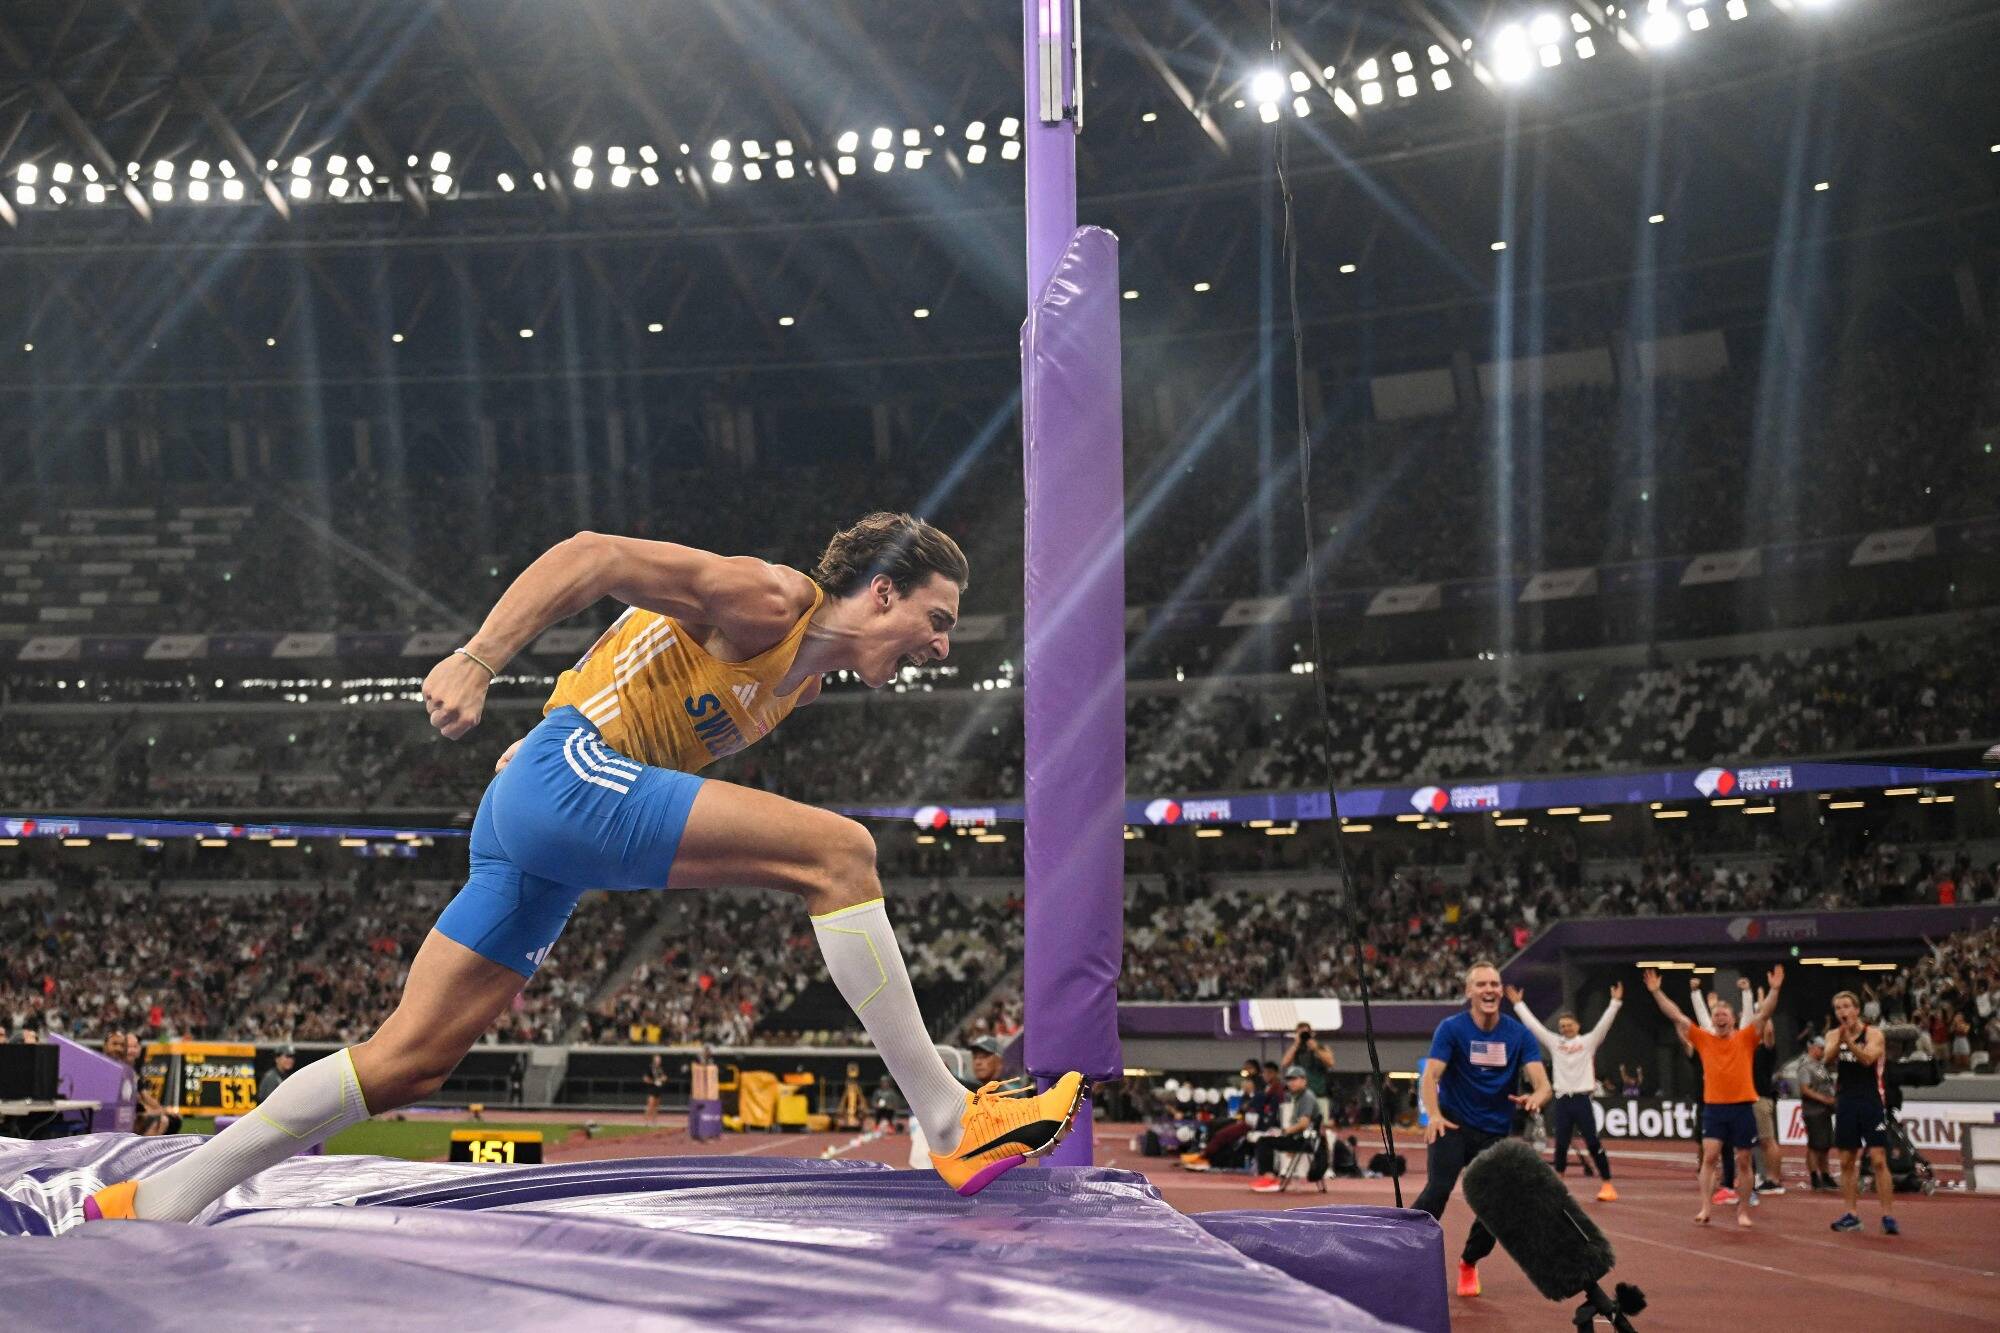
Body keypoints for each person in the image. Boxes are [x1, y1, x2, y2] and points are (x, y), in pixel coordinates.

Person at [87, 515, 1087, 1223]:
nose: (940, 644)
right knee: (840, 853)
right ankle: (949, 1117)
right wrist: (479, 659)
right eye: (937, 616)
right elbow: (594, 555)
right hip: (562, 781)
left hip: (543, 806)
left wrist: (549, 744)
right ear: (880, 590)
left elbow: (626, 679)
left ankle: (168, 1193)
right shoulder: (771, 599)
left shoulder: (801, 686)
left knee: (408, 1061)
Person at [1414, 961, 1553, 1299]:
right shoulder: (1451, 1029)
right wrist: (1433, 1115)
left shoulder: (1518, 1034)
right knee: (1438, 1189)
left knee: (1497, 1205)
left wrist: (1536, 1098)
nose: (1489, 990)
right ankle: (1407, 1254)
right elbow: (1431, 1076)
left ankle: (1469, 1261)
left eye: (1494, 984)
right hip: (1453, 1125)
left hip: (1493, 1132)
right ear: (1469, 992)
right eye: (1482, 985)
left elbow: (1543, 1085)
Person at [1642, 965, 1783, 1228]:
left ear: (1733, 1018)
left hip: (1742, 1106)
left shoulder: (1746, 1037)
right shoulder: (1704, 1039)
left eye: (1724, 1014)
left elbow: (1764, 1014)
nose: (1719, 1017)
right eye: (1716, 1013)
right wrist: (1657, 992)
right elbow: (1678, 1017)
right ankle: (1705, 1207)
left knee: (1743, 1158)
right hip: (1714, 1108)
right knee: (1709, 1157)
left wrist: (1774, 989)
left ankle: (1743, 1210)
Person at [1507, 982, 1622, 1201]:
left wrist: (1615, 1003)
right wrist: (1519, 1005)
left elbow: (1604, 1025)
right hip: (1562, 1101)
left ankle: (1607, 1184)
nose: (1565, 1028)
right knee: (1560, 1143)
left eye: (1569, 1025)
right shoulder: (1555, 1043)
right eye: (1562, 1026)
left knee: (1592, 1142)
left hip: (1582, 1100)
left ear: (1577, 1026)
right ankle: (1558, 1183)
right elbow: (1535, 1027)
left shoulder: (1588, 1042)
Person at [1825, 989, 1899, 1235]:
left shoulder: (1874, 1034)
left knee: (1878, 1159)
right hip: (1846, 1100)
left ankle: (1887, 1215)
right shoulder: (1833, 1034)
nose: (1842, 1012)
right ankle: (1851, 1214)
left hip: (1870, 1099)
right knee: (1846, 1160)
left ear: (1857, 1010)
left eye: (1846, 1006)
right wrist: (1840, 1041)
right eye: (1838, 1008)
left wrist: (1849, 1044)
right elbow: (1826, 1059)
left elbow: (1868, 1059)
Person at [1248, 1065, 1322, 1193]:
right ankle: (1270, 1176)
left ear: (1304, 1080)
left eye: (1294, 1079)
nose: (1291, 1082)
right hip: (1300, 1138)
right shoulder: (1297, 1097)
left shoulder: (1306, 1097)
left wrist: (1285, 1132)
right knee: (1267, 1139)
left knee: (1264, 1142)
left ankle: (1270, 1178)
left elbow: (1304, 1123)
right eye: (1289, 1079)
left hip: (1304, 1141)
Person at [1790, 1035, 1838, 1190]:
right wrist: (1824, 1099)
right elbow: (1805, 1089)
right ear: (1812, 1047)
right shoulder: (1806, 1066)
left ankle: (1825, 1174)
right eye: (1821, 1048)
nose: (1823, 1051)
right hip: (1814, 1110)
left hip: (1824, 1110)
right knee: (1815, 1145)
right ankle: (1814, 1177)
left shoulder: (1820, 1065)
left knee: (1824, 1145)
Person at [1281, 1022, 1336, 1101]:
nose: (1304, 1036)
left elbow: (1331, 1063)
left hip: (1318, 1094)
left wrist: (1316, 1049)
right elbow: (1284, 1063)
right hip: (1299, 1095)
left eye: (1306, 1033)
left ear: (1311, 1034)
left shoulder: (1322, 1048)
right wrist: (1296, 1044)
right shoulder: (1295, 1050)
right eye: (1300, 1034)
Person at [640, 1054, 667, 1126]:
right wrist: (654, 1081)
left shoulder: (660, 1068)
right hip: (652, 1088)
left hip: (658, 1089)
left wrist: (663, 1079)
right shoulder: (650, 1068)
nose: (659, 1061)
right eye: (657, 1060)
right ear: (654, 1060)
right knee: (650, 1105)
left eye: (660, 1060)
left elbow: (664, 1077)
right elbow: (645, 1078)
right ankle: (645, 1121)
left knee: (656, 1106)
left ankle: (654, 1122)